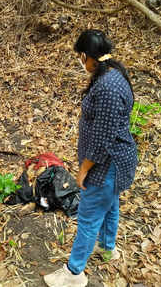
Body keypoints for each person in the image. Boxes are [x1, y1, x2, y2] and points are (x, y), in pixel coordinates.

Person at [44, 29, 138, 287]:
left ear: (87, 56)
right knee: (110, 204)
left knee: (88, 215)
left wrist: (84, 169)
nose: (80, 61)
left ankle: (74, 273)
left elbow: (102, 140)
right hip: (117, 161)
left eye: (80, 57)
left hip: (106, 164)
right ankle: (107, 248)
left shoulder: (107, 86)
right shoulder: (113, 74)